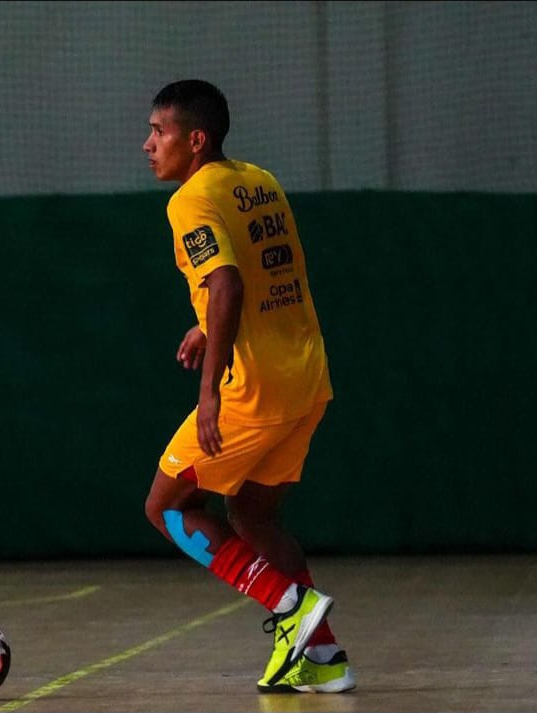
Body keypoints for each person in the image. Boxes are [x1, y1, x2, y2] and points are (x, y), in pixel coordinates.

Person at [141, 79, 355, 694]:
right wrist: (207, 326)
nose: (149, 144)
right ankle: (324, 657)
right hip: (307, 379)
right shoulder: (259, 180)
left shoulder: (189, 201)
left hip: (252, 391)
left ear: (196, 140)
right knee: (254, 515)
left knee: (167, 506)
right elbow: (264, 276)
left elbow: (229, 284)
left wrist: (209, 393)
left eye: (160, 132)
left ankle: (287, 606)